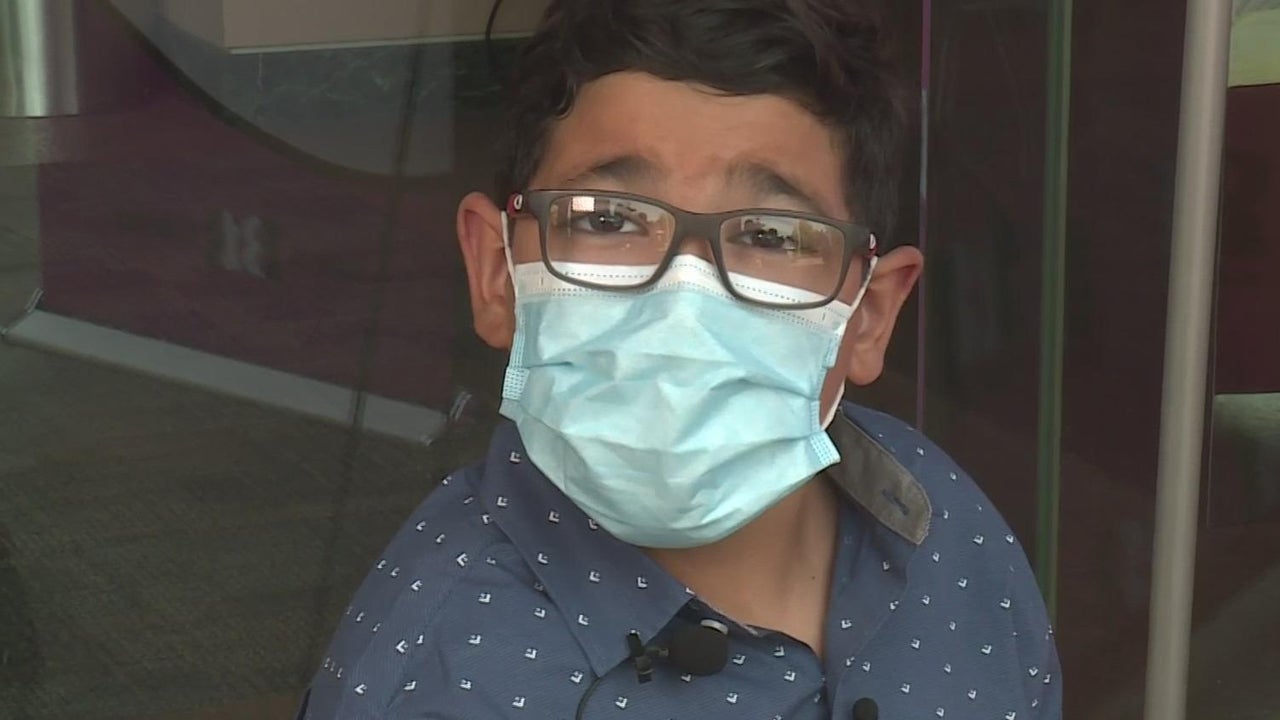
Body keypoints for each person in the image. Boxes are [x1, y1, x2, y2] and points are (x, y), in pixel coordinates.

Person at [298, 1, 1062, 718]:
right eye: (608, 220)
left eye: (770, 235)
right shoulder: (444, 683)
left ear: (869, 317)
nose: (683, 300)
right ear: (497, 273)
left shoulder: (938, 521)